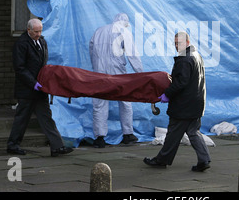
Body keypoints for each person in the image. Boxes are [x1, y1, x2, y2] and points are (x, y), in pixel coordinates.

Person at [143, 32, 211, 171]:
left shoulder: (184, 59)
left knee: (173, 133)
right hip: (196, 102)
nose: (176, 46)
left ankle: (162, 160)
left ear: (187, 42)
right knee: (193, 132)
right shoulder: (196, 55)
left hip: (183, 105)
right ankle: (204, 159)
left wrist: (166, 94)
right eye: (175, 43)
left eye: (179, 43)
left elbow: (181, 82)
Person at [7, 18, 73, 157]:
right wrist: (33, 83)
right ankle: (13, 145)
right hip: (27, 89)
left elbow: (43, 63)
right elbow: (20, 68)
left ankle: (57, 146)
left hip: (40, 89)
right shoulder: (21, 44)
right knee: (22, 118)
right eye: (36, 31)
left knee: (46, 117)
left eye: (40, 31)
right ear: (28, 30)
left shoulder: (42, 41)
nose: (38, 34)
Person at [89, 13, 143, 148]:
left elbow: (91, 49)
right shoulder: (124, 32)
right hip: (118, 71)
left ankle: (100, 138)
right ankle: (128, 134)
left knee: (99, 103)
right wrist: (141, 75)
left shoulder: (99, 31)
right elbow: (133, 55)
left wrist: (96, 67)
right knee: (125, 101)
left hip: (100, 72)